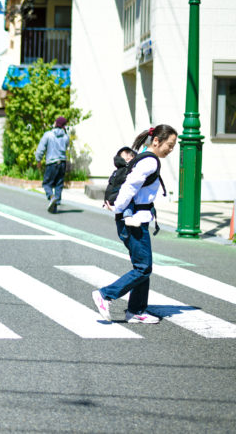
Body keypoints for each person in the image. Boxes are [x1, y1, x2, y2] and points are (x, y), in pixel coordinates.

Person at [92, 124, 178, 324]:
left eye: (174, 146)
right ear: (156, 141)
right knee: (143, 268)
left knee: (141, 267)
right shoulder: (150, 162)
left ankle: (136, 310)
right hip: (133, 221)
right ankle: (106, 295)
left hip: (133, 219)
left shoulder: (143, 159)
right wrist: (119, 208)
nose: (171, 149)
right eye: (170, 144)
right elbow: (130, 186)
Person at [35, 116, 70, 214]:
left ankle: (51, 197)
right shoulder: (66, 137)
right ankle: (56, 203)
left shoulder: (48, 135)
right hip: (62, 162)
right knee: (59, 184)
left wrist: (38, 160)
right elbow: (66, 147)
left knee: (47, 183)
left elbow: (41, 149)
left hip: (51, 163)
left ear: (56, 123)